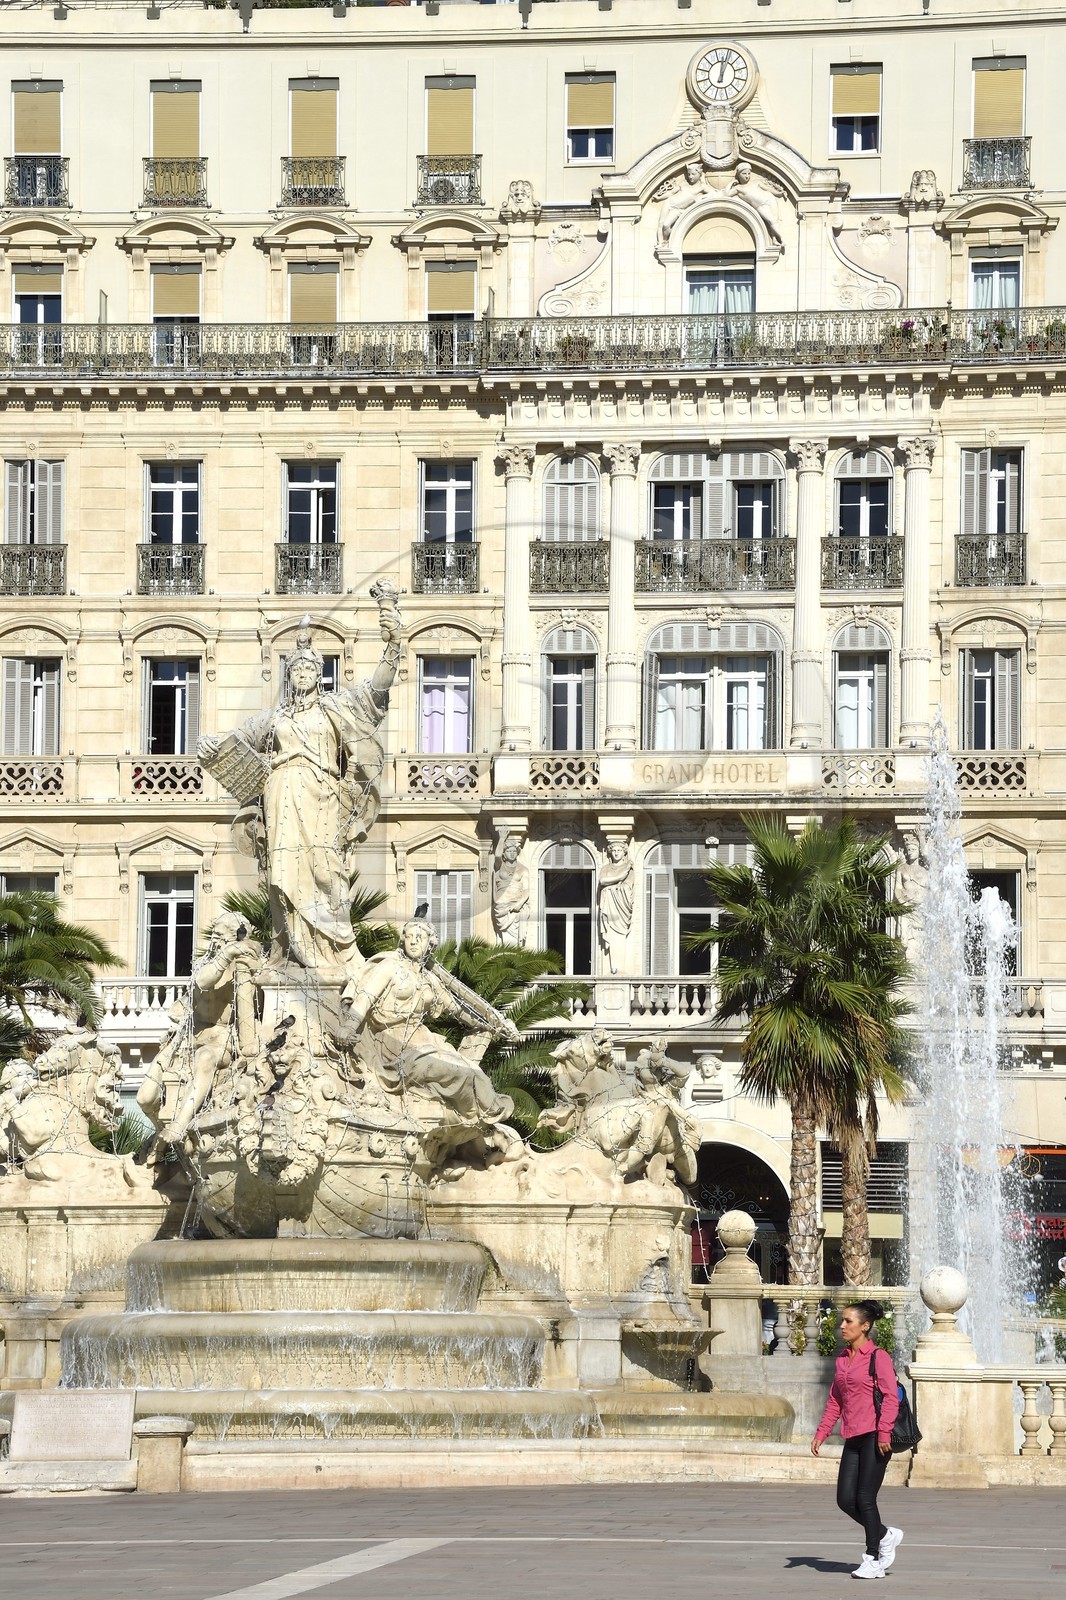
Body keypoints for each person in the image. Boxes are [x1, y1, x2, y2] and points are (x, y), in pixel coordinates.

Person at [198, 586, 403, 973]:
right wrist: (211, 741)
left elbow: (376, 691)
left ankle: (335, 952)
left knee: (326, 871)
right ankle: (290, 951)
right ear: (289, 676)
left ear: (320, 675)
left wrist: (393, 644)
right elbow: (240, 737)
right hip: (280, 793)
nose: (303, 674)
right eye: (296, 669)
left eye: (309, 669)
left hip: (321, 795)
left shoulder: (335, 707)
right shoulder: (275, 717)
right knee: (282, 873)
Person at [811, 1299, 903, 1580]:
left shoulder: (878, 1357)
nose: (842, 1326)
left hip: (875, 1437)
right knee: (844, 1499)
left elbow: (891, 1397)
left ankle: (873, 1558)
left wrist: (884, 1432)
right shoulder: (842, 1359)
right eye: (842, 1320)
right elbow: (835, 1400)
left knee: (865, 1498)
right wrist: (822, 1432)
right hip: (852, 1436)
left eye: (848, 1321)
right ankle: (885, 1535)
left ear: (865, 1326)